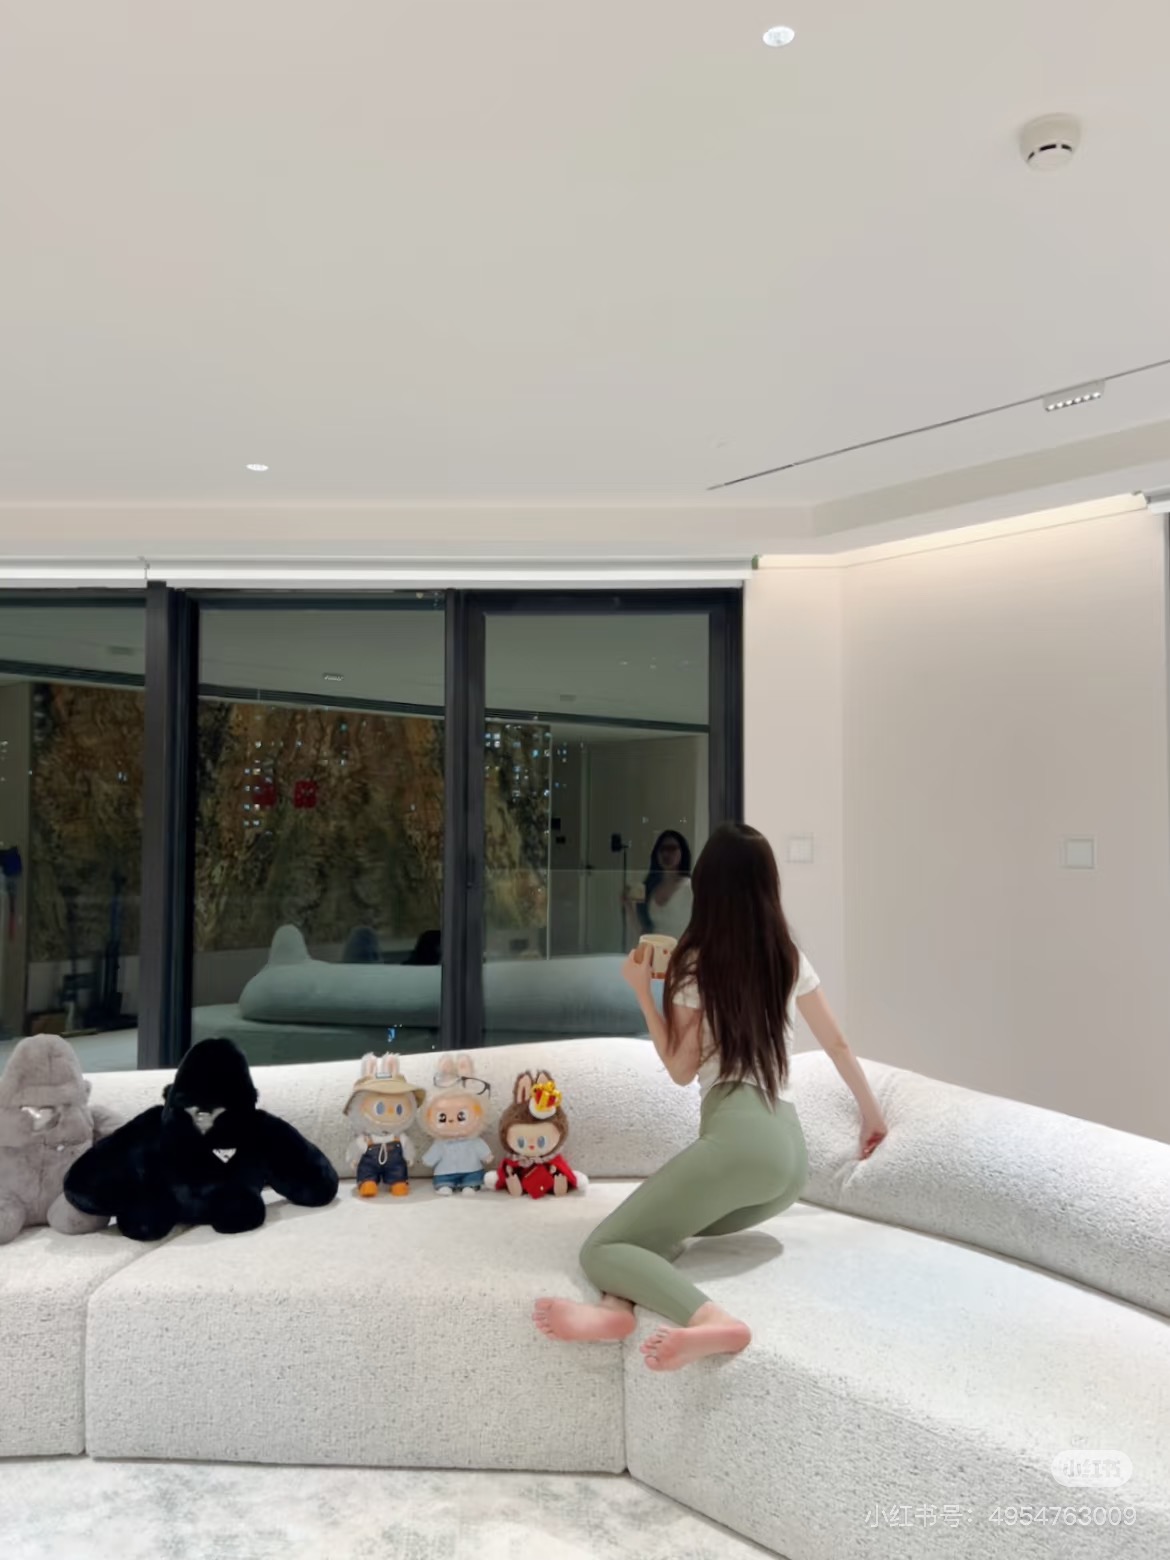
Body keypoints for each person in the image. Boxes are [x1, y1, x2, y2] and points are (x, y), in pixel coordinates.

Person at [534, 822, 888, 1372]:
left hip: (741, 1141)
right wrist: (872, 1116)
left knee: (600, 1248)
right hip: (789, 1163)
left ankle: (709, 1319)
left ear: (706, 885)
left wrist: (644, 993)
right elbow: (837, 1042)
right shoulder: (788, 955)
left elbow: (680, 1070)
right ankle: (614, 1309)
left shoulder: (696, 962)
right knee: (653, 1232)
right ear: (767, 884)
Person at [627, 830, 693, 941]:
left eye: (672, 848)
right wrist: (629, 907)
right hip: (655, 949)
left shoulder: (690, 888)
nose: (666, 854)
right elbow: (644, 933)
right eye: (662, 849)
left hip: (681, 949)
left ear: (682, 852)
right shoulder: (651, 887)